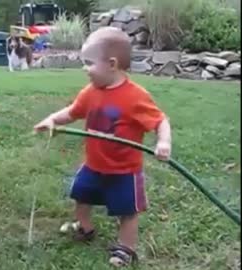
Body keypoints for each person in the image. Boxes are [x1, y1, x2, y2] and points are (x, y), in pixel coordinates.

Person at [33, 26, 172, 267]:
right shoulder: (91, 92)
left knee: (127, 211)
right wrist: (53, 119)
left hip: (124, 171)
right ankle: (84, 227)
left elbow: (160, 120)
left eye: (89, 63)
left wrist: (163, 141)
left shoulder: (135, 96)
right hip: (94, 165)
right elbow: (73, 112)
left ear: (112, 64)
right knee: (81, 194)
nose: (84, 69)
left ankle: (125, 248)